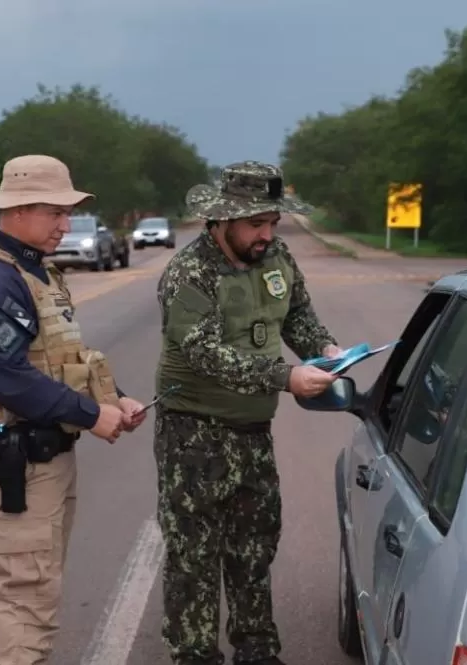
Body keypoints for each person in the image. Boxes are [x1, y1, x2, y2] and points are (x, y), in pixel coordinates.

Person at [0, 154, 146, 664]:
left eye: (66, 213)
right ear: (15, 211)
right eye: (53, 212)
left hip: (45, 457)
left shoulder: (37, 272)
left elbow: (61, 358)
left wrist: (112, 397)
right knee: (28, 598)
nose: (65, 225)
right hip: (19, 461)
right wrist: (90, 415)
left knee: (29, 593)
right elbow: (9, 376)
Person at [153, 161, 343, 665]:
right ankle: (194, 653)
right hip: (194, 434)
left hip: (252, 431)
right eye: (255, 224)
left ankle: (256, 648)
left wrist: (323, 349)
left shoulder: (276, 258)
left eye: (272, 222)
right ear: (221, 221)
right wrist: (285, 378)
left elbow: (298, 314)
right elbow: (204, 353)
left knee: (254, 546)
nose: (266, 234)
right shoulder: (189, 274)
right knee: (194, 554)